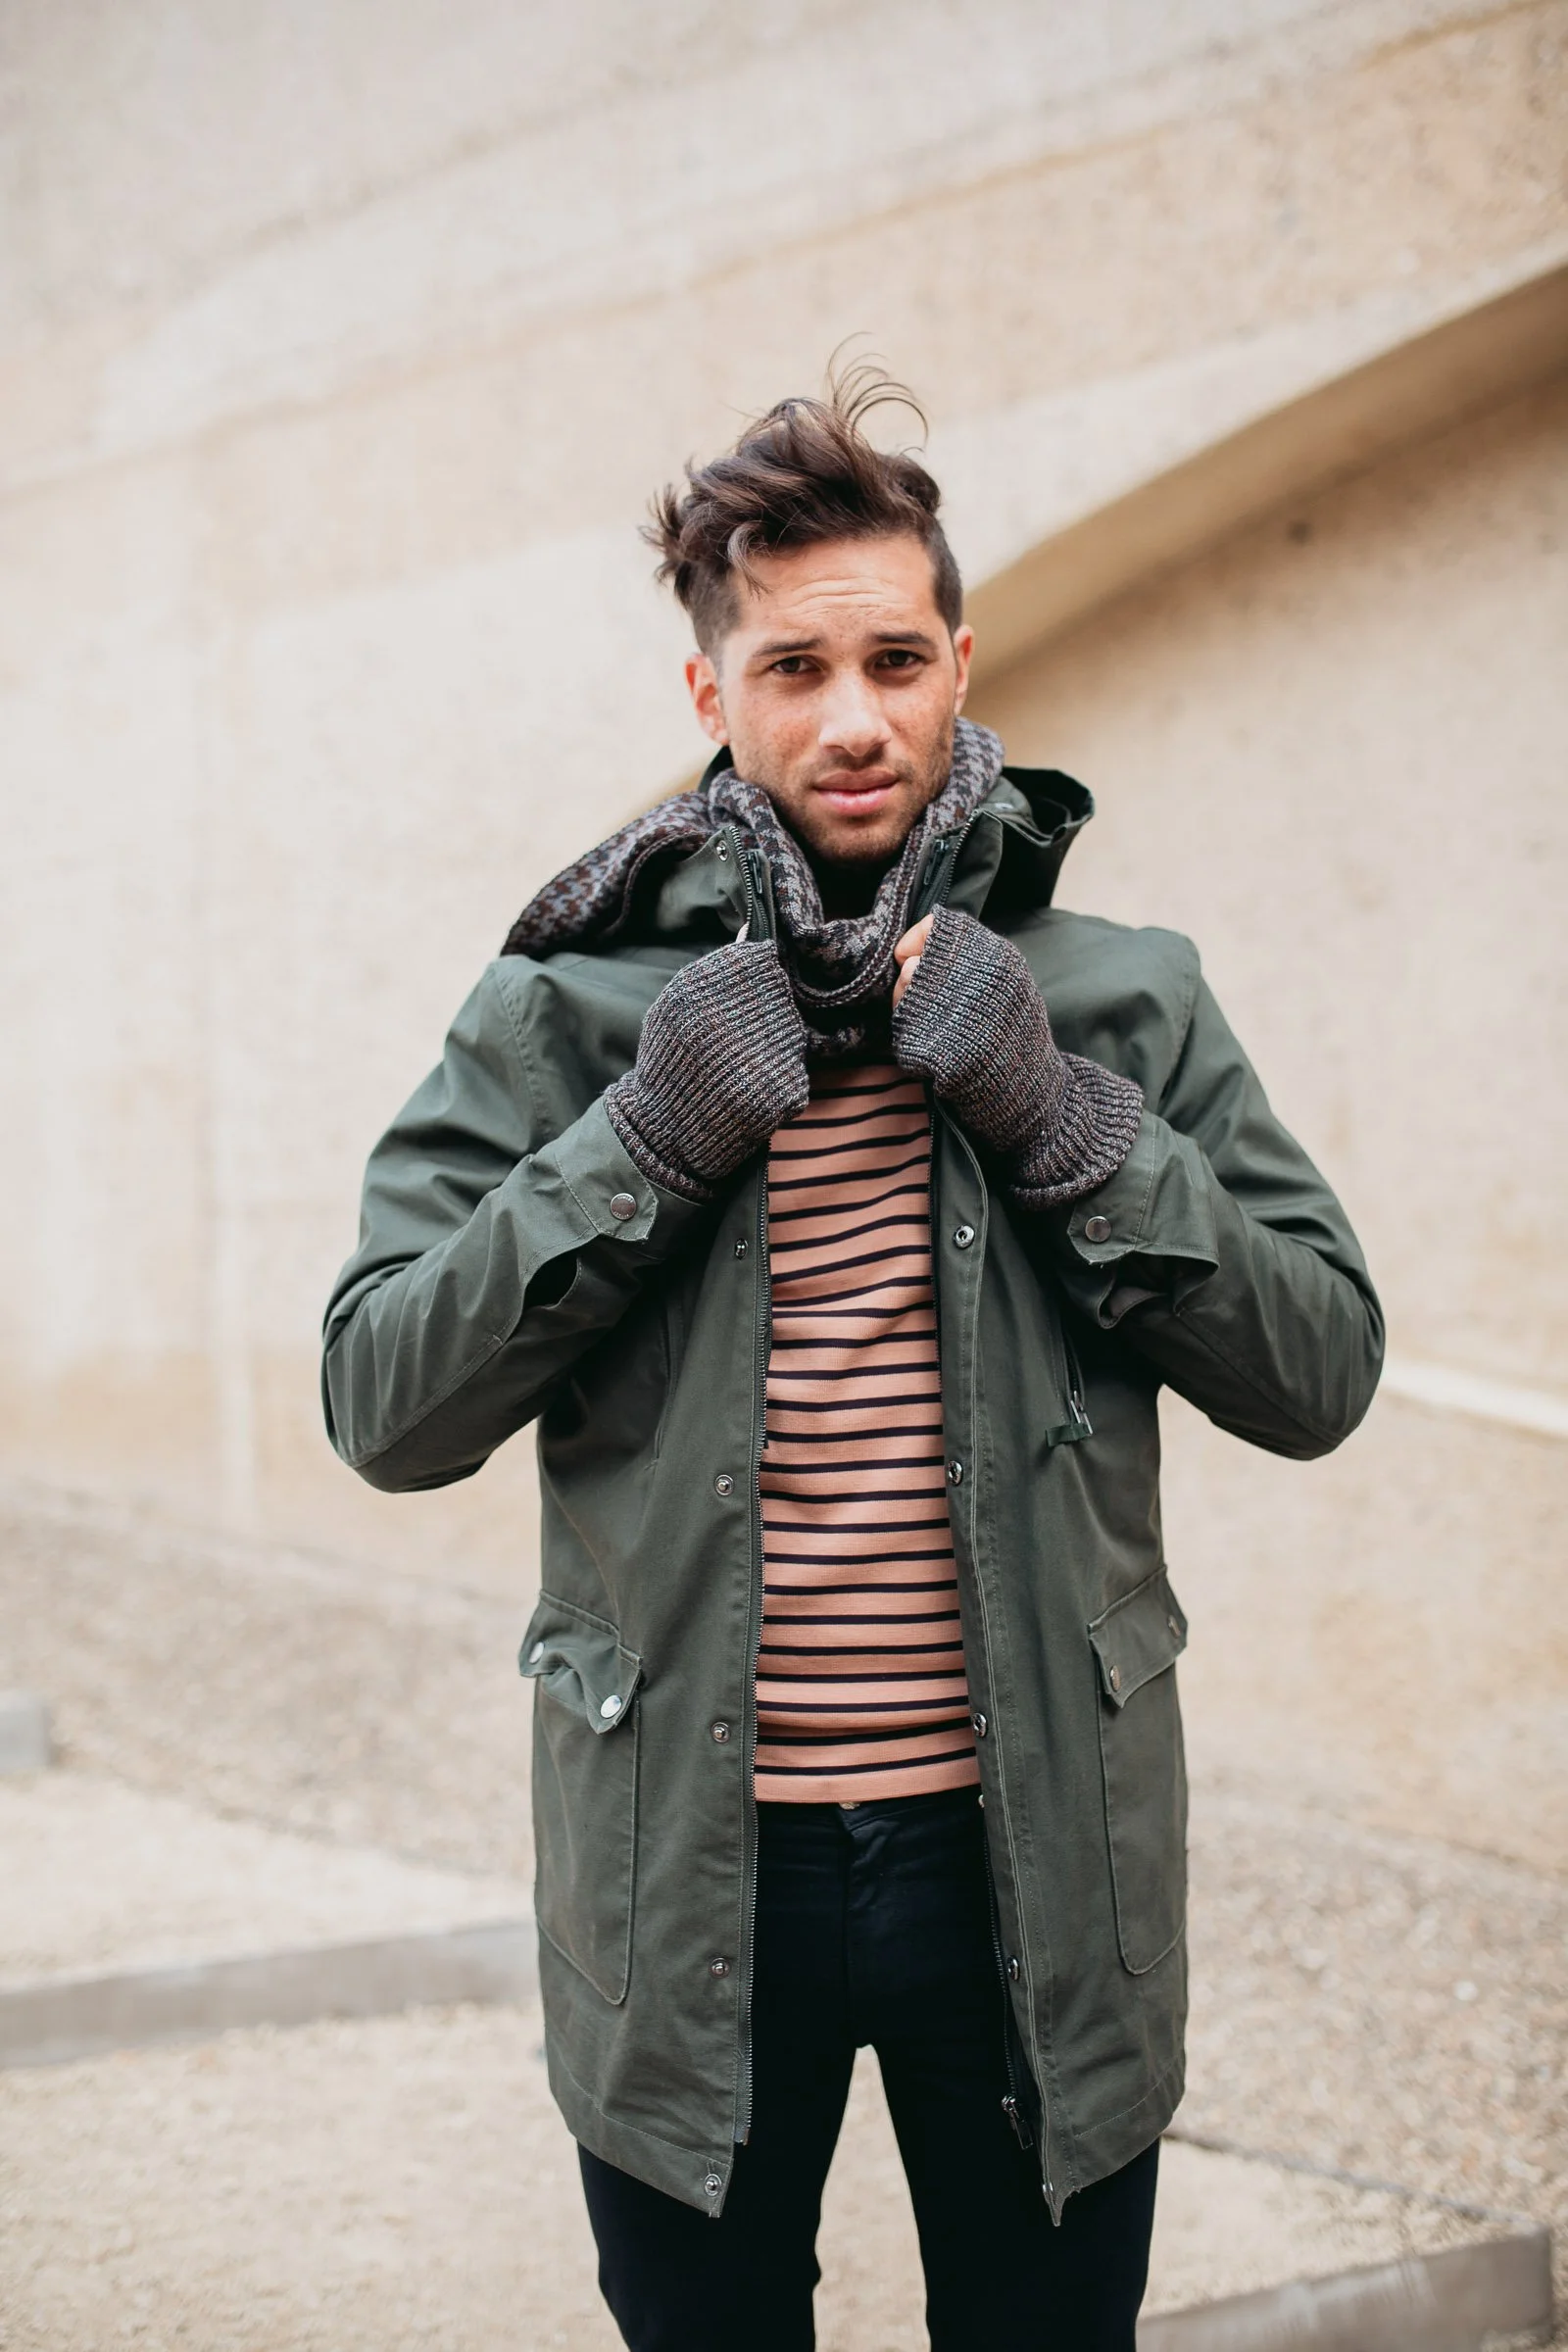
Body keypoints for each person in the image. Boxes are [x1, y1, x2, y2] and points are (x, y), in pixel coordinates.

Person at [321, 372, 1382, 2351]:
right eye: (791, 663)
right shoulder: (569, 1010)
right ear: (708, 696)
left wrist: (1062, 1121)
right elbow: (382, 1400)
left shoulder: (1110, 997)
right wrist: (638, 1141)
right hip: (687, 1881)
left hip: (1032, 1866)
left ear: (958, 662)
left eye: (893, 657)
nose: (852, 715)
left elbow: (1316, 1367)